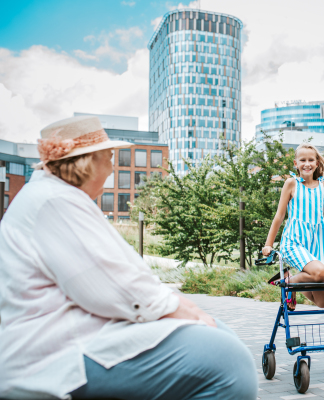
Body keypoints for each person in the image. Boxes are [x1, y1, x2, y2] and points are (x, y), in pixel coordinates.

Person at [0, 116, 258, 400]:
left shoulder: (53, 197)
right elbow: (112, 286)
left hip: (70, 337)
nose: (112, 169)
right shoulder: (55, 201)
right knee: (226, 362)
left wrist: (190, 311)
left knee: (219, 337)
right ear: (88, 162)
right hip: (55, 353)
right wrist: (188, 311)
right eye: (108, 158)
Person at [262, 143, 324, 311]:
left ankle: (289, 281)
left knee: (323, 303)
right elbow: (279, 216)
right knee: (320, 272)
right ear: (296, 164)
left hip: (317, 244)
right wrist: (268, 244)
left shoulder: (322, 186)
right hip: (294, 241)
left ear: (317, 163)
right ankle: (289, 283)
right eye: (302, 160)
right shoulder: (291, 184)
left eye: (311, 160)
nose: (307, 164)